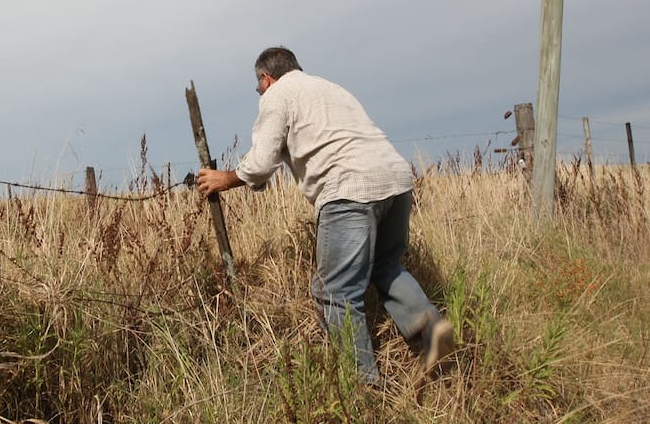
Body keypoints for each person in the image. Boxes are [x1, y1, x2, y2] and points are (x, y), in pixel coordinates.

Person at [195, 47, 455, 384]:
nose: (259, 92)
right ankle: (433, 330)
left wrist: (224, 178)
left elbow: (260, 164)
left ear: (266, 78)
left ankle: (363, 387)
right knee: (386, 265)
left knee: (334, 292)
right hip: (397, 181)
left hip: (348, 189)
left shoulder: (277, 96)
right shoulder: (331, 89)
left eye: (258, 86)